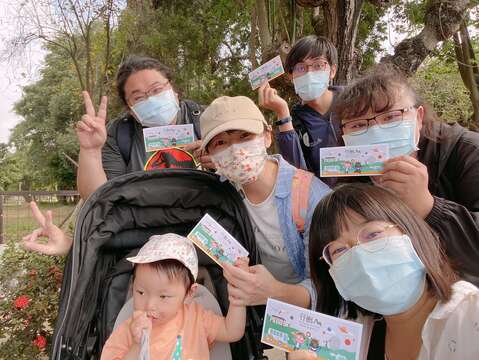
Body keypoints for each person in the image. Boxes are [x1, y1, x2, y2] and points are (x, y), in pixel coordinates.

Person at [290, 183, 479, 360]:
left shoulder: (470, 315)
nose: (359, 256)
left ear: (409, 230)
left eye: (373, 234)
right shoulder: (355, 332)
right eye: (339, 250)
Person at [331, 64, 479, 286]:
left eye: (390, 117)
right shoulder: (351, 175)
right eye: (359, 125)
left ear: (418, 117)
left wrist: (430, 208)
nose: (375, 131)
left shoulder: (467, 152)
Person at [199, 95, 331, 308]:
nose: (235, 150)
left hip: (301, 315)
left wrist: (274, 293)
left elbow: (328, 289)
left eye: (245, 136)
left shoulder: (312, 197)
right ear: (210, 155)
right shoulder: (221, 194)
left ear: (267, 136)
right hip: (254, 313)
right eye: (221, 142)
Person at [76, 55, 212, 200]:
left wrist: (223, 157)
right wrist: (90, 151)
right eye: (139, 97)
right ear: (130, 109)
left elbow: (238, 171)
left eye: (157, 89)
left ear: (173, 88)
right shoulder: (118, 135)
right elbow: (98, 199)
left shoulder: (209, 119)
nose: (151, 100)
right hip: (144, 221)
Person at [100, 233, 246, 359]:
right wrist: (136, 345)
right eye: (141, 292)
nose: (150, 305)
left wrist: (238, 297)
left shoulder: (197, 319)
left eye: (163, 296)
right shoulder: (127, 332)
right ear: (133, 285)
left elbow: (232, 331)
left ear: (189, 294)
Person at [258, 35, 341, 180]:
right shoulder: (294, 121)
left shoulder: (356, 101)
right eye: (300, 67)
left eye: (318, 65)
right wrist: (282, 113)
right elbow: (296, 174)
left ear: (332, 71)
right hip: (323, 200)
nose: (309, 73)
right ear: (291, 76)